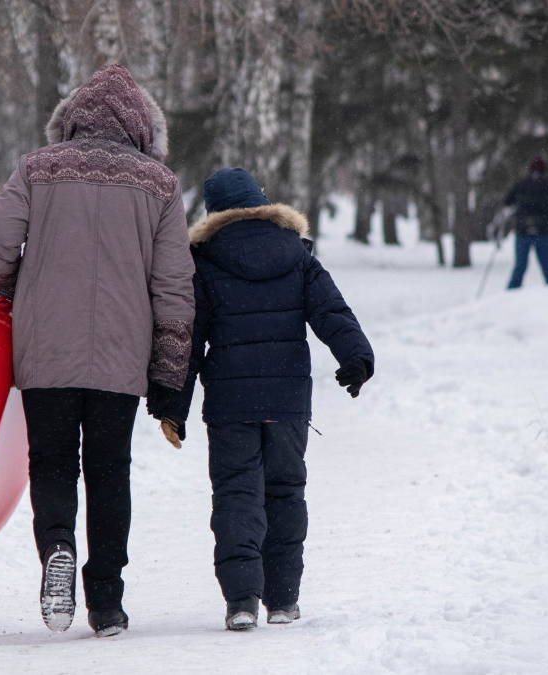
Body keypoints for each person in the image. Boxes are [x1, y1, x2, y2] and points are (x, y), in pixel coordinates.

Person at [0, 65, 195, 638]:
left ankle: (56, 549)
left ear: (70, 119)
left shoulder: (37, 169)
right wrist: (171, 372)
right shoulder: (160, 185)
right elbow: (174, 285)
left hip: (45, 345)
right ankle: (107, 603)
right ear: (142, 126)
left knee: (50, 463)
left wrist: (15, 288)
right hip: (121, 357)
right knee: (108, 470)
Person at [147, 168, 375, 631]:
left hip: (232, 403)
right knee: (286, 493)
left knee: (236, 496)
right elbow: (332, 311)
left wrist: (173, 403)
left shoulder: (205, 262)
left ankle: (242, 601)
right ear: (262, 201)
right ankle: (284, 600)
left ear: (213, 213)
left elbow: (189, 341)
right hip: (288, 399)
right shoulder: (296, 254)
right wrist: (357, 356)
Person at [503, 156, 548, 289]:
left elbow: (508, 201)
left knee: (519, 268)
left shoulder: (521, 184)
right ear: (545, 170)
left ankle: (509, 297)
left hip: (523, 230)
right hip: (544, 231)